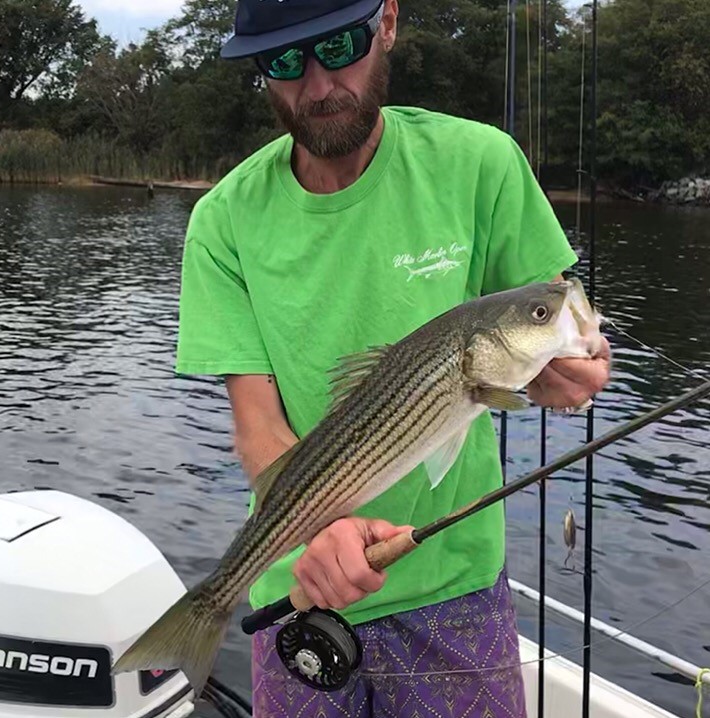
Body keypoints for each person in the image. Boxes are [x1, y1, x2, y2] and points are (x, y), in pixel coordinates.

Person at [175, 0, 611, 714]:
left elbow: (570, 327)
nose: (317, 86)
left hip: (457, 590)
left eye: (340, 44)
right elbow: (257, 426)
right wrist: (322, 530)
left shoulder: (479, 163)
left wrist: (581, 370)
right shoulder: (223, 220)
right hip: (295, 586)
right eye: (284, 62)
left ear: (388, 23)